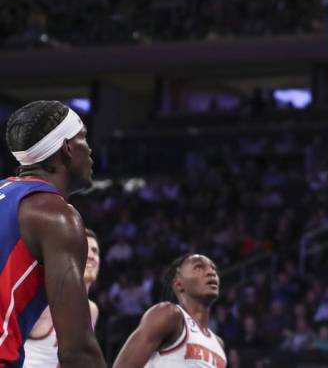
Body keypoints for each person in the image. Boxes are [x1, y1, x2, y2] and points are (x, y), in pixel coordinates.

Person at [1, 100, 106, 367]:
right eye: (83, 137)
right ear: (67, 148)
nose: (90, 149)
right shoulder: (56, 216)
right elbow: (77, 350)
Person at [113, 254, 225, 368]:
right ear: (178, 284)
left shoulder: (219, 344)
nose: (211, 273)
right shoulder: (169, 315)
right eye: (199, 267)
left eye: (213, 268)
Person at [23, 228, 101, 367]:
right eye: (85, 249)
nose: (91, 255)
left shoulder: (92, 310)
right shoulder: (46, 302)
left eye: (95, 251)